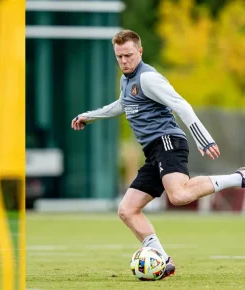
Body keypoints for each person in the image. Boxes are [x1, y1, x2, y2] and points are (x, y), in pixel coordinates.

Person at [71, 29, 245, 279]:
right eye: (119, 56)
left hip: (168, 141)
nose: (123, 61)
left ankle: (239, 178)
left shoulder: (149, 79)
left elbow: (181, 105)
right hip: (153, 151)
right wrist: (89, 116)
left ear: (139, 52)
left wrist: (203, 138)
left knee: (179, 195)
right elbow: (122, 104)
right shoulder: (126, 80)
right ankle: (164, 261)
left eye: (128, 55)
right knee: (127, 210)